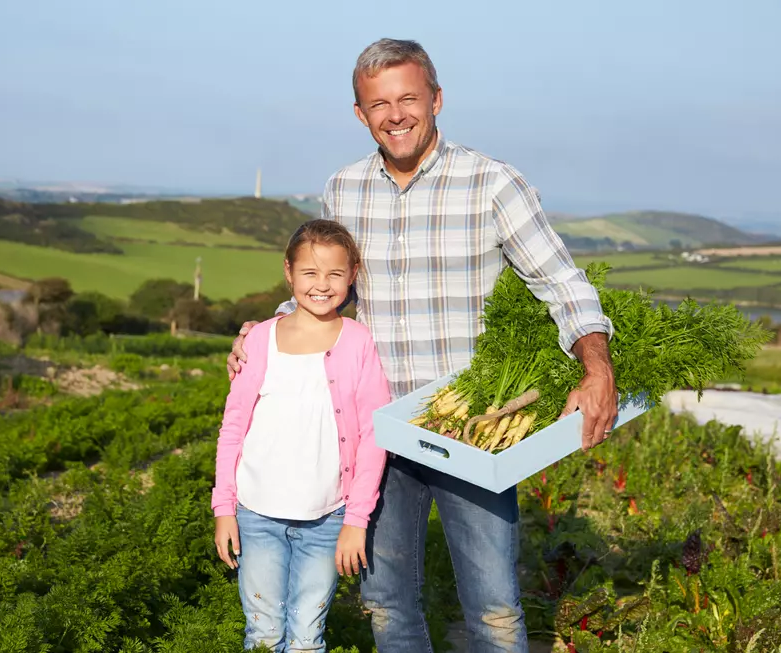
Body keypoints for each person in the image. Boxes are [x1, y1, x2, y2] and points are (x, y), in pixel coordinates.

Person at [226, 38, 619, 652]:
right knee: (385, 603)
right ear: (360, 114)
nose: (396, 114)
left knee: (492, 608)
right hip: (375, 431)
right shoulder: (344, 189)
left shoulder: (492, 183)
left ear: (436, 100)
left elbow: (561, 282)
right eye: (378, 103)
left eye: (409, 97)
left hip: (472, 424)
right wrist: (266, 335)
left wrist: (597, 367)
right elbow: (330, 290)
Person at [212, 219, 392, 652]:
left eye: (335, 274)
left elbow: (373, 436)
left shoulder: (357, 342)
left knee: (308, 636)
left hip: (327, 517)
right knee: (264, 632)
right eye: (310, 273)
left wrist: (355, 521)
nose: (322, 285)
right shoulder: (257, 340)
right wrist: (224, 508)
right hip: (256, 515)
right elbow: (232, 428)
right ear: (289, 273)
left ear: (353, 275)